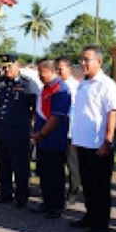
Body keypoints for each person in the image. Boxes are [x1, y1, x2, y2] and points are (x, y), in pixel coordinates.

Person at [69, 46, 116, 232]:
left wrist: (107, 141)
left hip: (98, 143)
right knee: (87, 183)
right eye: (81, 59)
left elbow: (112, 113)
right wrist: (76, 138)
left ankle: (101, 223)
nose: (83, 63)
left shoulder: (106, 84)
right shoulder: (83, 83)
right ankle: (90, 216)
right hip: (83, 141)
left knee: (100, 186)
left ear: (99, 61)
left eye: (87, 60)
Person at [0, 53, 39, 207]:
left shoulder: (27, 84)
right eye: (4, 67)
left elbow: (35, 107)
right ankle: (5, 193)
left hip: (19, 132)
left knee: (20, 166)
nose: (6, 70)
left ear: (17, 65)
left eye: (9, 67)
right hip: (2, 130)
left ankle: (22, 196)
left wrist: (31, 126)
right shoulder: (1, 81)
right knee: (3, 165)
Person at [31, 60, 71, 219]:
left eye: (42, 72)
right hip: (43, 140)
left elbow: (56, 117)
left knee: (55, 174)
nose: (40, 76)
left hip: (54, 139)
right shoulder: (46, 89)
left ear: (52, 71)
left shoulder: (60, 89)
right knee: (44, 173)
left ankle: (56, 206)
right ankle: (47, 202)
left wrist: (42, 134)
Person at [56, 57, 82, 204]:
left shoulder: (76, 87)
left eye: (61, 69)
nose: (58, 72)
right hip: (57, 131)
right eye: (57, 69)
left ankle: (74, 192)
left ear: (69, 68)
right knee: (57, 164)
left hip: (71, 131)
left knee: (72, 165)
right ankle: (58, 193)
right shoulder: (56, 86)